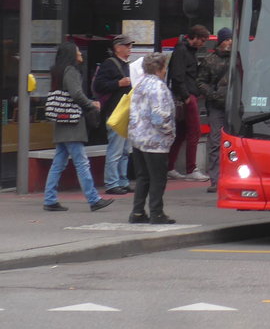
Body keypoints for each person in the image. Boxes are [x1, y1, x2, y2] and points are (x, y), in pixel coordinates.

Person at [42, 40, 114, 213]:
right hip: (72, 123)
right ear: (71, 55)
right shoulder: (71, 71)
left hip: (62, 121)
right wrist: (91, 104)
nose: (81, 54)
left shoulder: (58, 71)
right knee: (82, 162)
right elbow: (76, 94)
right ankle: (93, 199)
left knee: (58, 162)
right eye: (78, 51)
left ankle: (50, 199)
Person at [129, 52, 176, 224]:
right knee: (158, 177)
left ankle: (137, 212)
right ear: (159, 68)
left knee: (143, 176)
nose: (165, 70)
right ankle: (156, 212)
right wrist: (169, 131)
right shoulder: (158, 87)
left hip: (137, 137)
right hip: (155, 140)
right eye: (164, 66)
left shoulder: (140, 84)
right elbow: (159, 116)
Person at [94, 34, 135, 194]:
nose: (130, 48)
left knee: (125, 150)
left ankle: (122, 181)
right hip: (114, 112)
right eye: (127, 45)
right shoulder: (109, 64)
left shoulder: (128, 65)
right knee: (116, 149)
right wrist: (118, 83)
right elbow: (99, 85)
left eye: (130, 45)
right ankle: (111, 183)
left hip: (125, 112)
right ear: (118, 47)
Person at [167, 25, 208, 181]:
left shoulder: (183, 50)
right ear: (195, 37)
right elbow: (178, 76)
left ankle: (170, 167)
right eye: (202, 40)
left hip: (186, 95)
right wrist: (186, 97)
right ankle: (191, 168)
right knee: (194, 132)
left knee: (181, 133)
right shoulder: (183, 51)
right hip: (187, 96)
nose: (203, 44)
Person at [198, 27, 233, 193]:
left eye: (231, 39)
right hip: (216, 106)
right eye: (226, 39)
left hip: (235, 106)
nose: (229, 42)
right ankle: (215, 179)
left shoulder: (238, 58)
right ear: (220, 41)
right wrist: (212, 94)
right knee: (215, 141)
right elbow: (200, 82)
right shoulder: (209, 60)